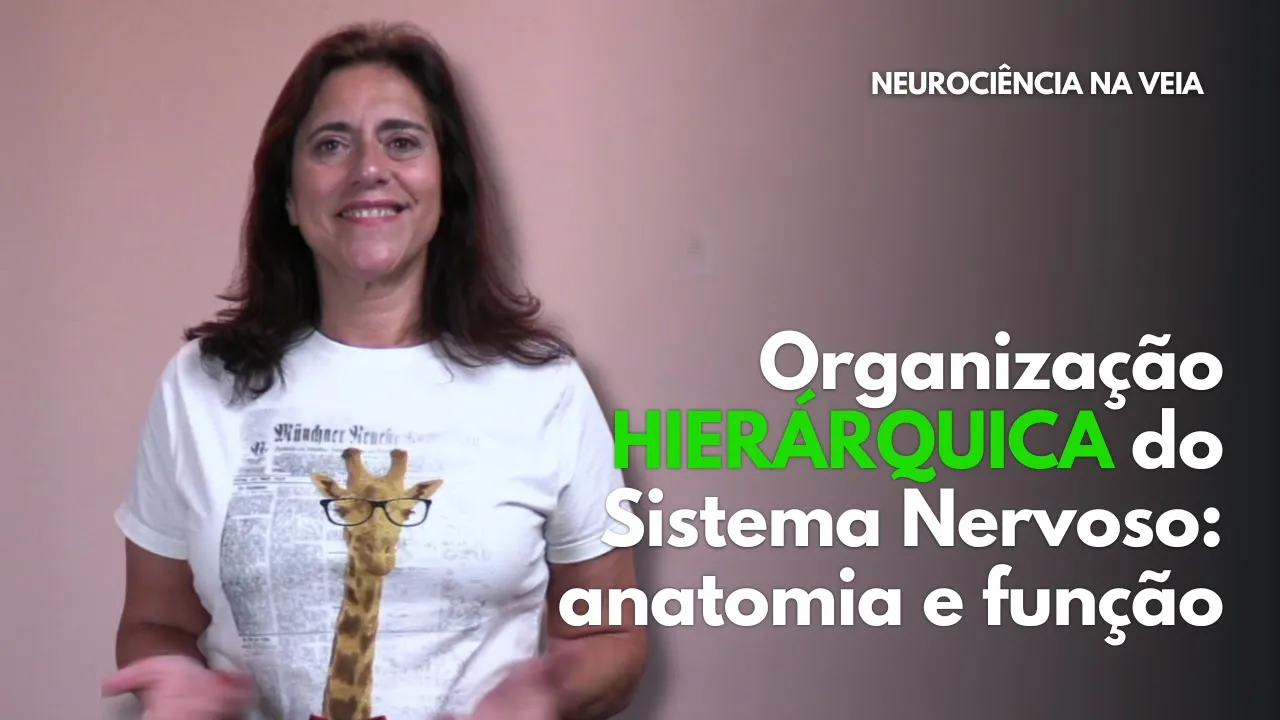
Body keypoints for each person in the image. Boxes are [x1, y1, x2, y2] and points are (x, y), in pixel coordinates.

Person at [102, 20, 647, 720]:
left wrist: (546, 693)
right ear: (288, 197)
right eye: (331, 144)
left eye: (402, 141)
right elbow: (156, 621)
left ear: (446, 186)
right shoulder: (200, 385)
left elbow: (611, 635)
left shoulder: (546, 389)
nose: (368, 168)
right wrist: (177, 683)